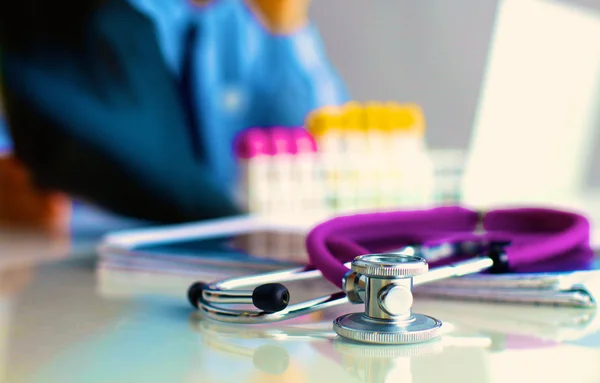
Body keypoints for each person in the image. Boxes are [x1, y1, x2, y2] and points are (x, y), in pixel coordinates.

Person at [0, 0, 348, 224]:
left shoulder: (248, 22)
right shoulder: (83, 18)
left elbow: (329, 154)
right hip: (85, 260)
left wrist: (289, 32)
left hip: (215, 254)